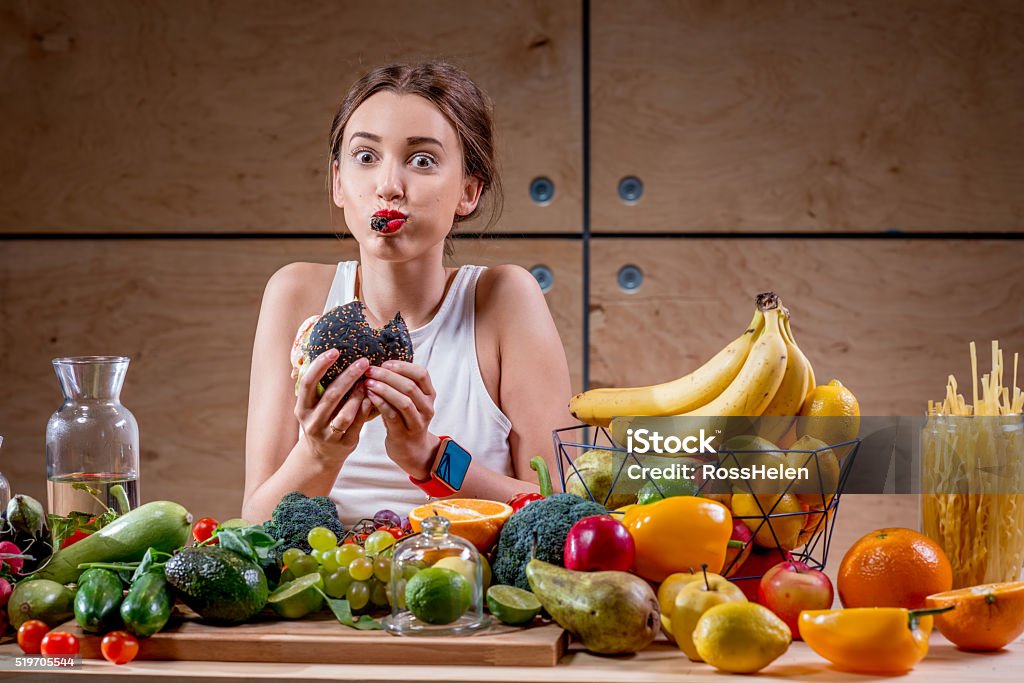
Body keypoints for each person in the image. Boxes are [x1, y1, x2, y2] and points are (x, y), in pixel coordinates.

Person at [242, 62, 573, 527]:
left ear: (469, 192)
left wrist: (429, 458)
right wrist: (319, 453)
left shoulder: (504, 299)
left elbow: (560, 511)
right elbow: (255, 520)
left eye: (422, 160)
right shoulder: (296, 295)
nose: (389, 186)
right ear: (338, 182)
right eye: (365, 156)